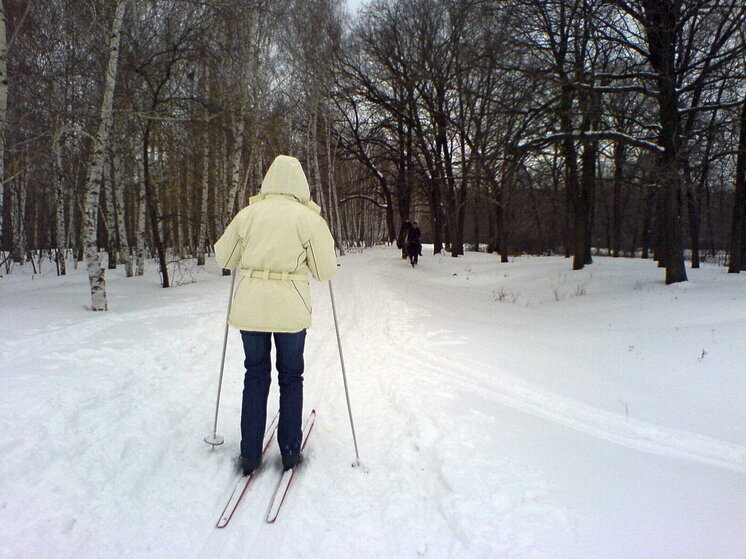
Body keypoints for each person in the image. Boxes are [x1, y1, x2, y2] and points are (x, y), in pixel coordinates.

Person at [214, 154, 338, 474]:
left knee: (255, 375)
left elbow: (224, 257)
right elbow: (325, 271)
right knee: (291, 376)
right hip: (290, 310)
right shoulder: (308, 219)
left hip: (251, 308)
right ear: (302, 185)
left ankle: (250, 453)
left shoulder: (248, 215)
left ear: (268, 181)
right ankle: (290, 451)